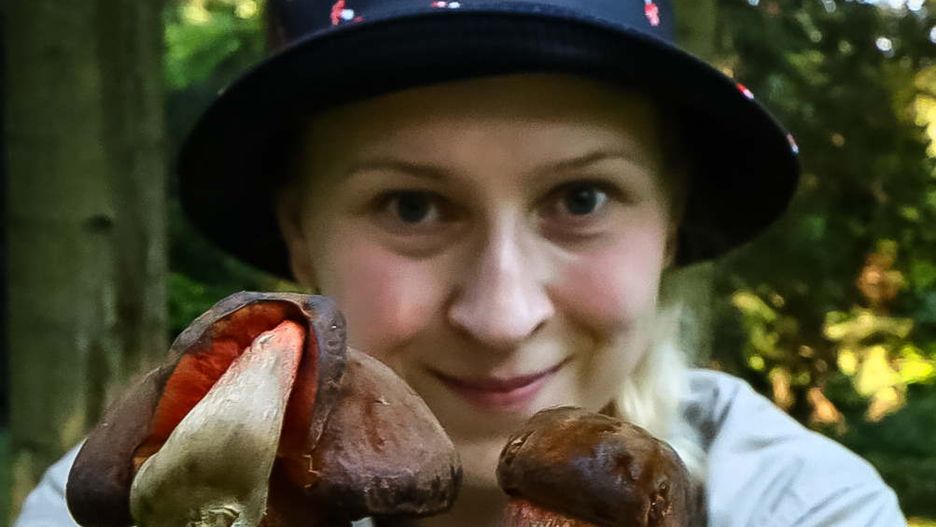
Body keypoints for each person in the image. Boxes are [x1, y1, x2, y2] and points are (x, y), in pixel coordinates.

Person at [15, 1, 907, 526]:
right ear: (298, 233)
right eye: (411, 205)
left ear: (670, 224)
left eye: (582, 197)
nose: (502, 314)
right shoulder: (146, 496)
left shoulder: (800, 504)